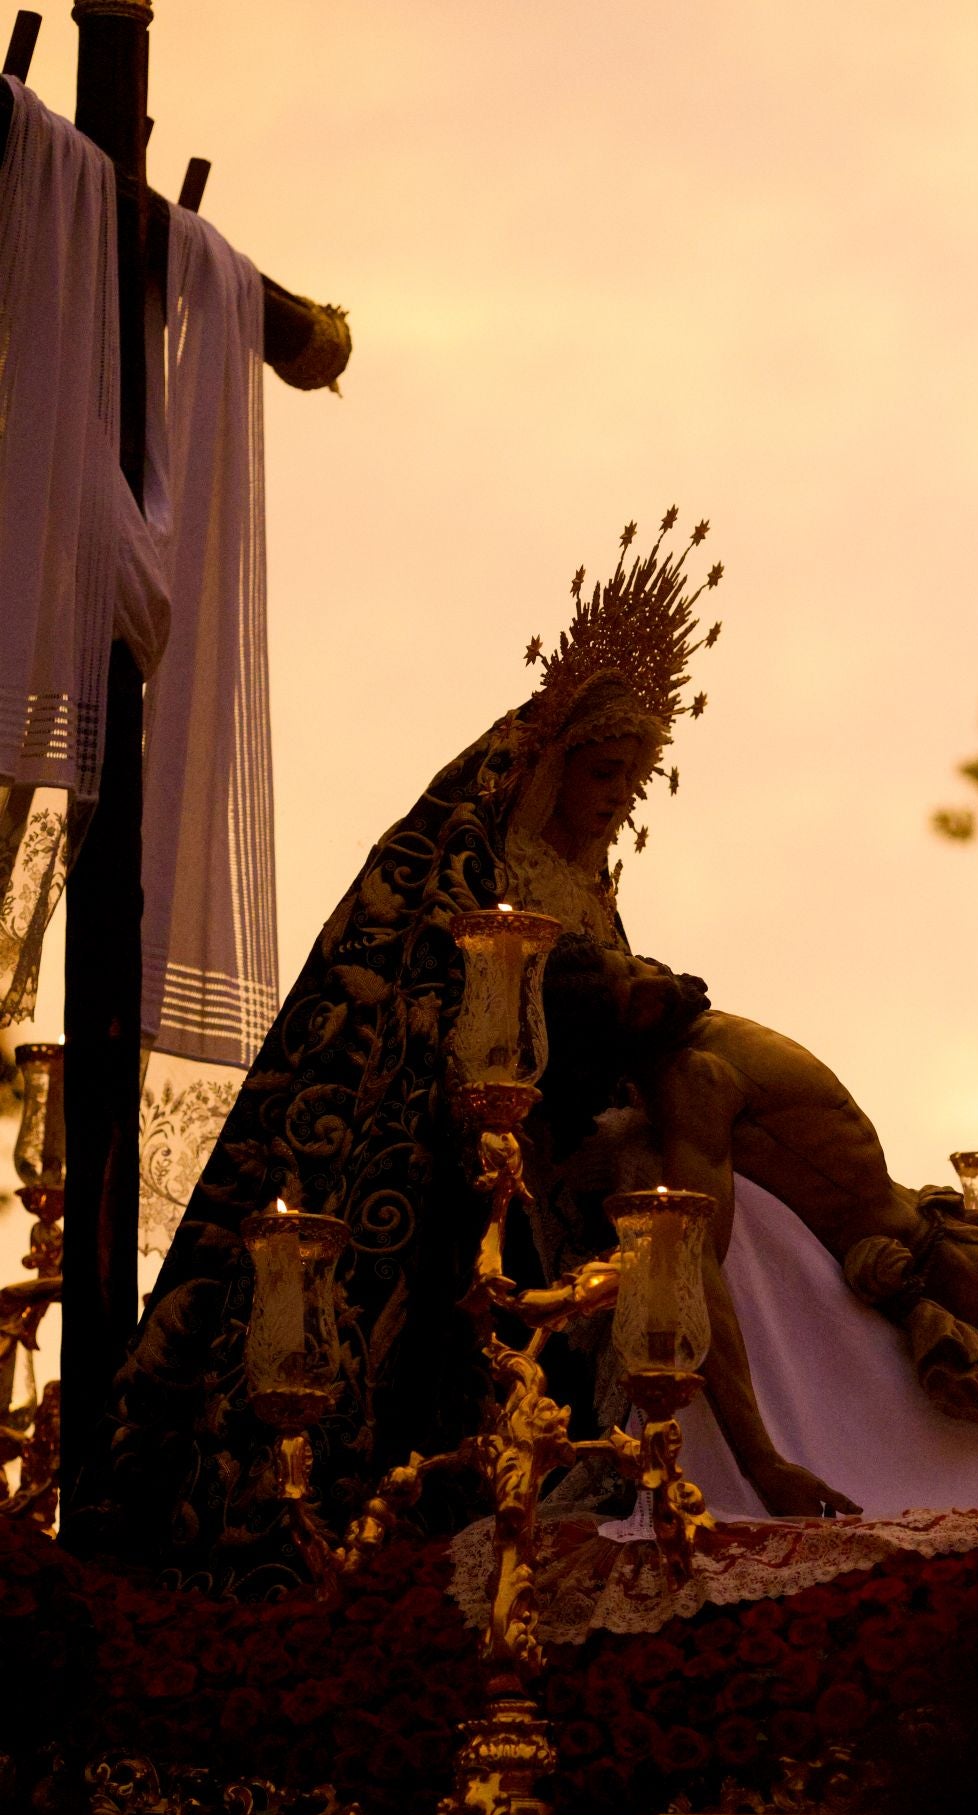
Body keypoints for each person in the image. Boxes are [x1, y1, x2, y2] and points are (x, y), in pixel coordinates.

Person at [81, 517, 723, 1588]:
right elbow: (419, 992)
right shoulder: (470, 853)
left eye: (634, 779)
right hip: (443, 1159)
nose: (616, 798)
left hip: (561, 1174)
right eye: (603, 770)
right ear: (555, 760)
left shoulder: (592, 887)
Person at [540, 937, 978, 1536]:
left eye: (632, 961)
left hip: (940, 1231)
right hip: (935, 1266)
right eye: (629, 988)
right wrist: (761, 1460)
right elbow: (700, 1268)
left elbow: (820, 1168)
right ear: (619, 1032)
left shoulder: (708, 1041)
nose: (652, 976)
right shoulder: (694, 1076)